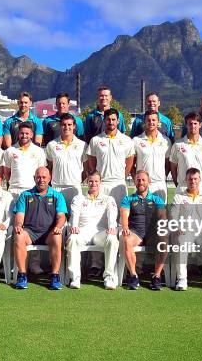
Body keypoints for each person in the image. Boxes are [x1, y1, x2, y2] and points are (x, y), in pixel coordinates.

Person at [86, 108, 134, 276]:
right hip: (102, 185)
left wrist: (121, 176)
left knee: (120, 223)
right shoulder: (95, 140)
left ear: (118, 121)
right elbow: (91, 164)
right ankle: (96, 264)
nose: (111, 122)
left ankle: (119, 261)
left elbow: (129, 163)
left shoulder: (127, 141)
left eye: (114, 120)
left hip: (119, 186)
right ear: (104, 121)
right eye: (108, 120)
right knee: (99, 223)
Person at [12, 167, 67, 290]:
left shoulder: (57, 196)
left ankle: (55, 276)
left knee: (57, 236)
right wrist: (19, 226)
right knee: (19, 235)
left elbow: (61, 217)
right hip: (30, 232)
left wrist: (58, 227)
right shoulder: (25, 195)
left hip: (48, 233)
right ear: (34, 178)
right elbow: (19, 216)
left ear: (49, 179)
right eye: (38, 177)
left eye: (44, 177)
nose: (41, 180)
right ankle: (22, 276)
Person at [170, 167, 202, 291]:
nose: (193, 181)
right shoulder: (179, 197)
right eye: (190, 179)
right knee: (181, 243)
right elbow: (173, 216)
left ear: (200, 180)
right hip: (185, 232)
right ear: (186, 180)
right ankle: (182, 279)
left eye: (195, 179)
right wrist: (177, 227)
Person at [66, 171, 119, 290]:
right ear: (87, 182)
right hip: (83, 232)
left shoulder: (108, 199)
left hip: (100, 233)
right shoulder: (78, 198)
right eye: (91, 181)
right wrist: (74, 226)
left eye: (96, 181)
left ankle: (109, 277)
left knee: (112, 238)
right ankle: (75, 278)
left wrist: (112, 226)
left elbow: (112, 213)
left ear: (100, 182)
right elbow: (75, 213)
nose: (93, 183)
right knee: (73, 238)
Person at [120, 170, 168, 290]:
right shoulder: (128, 199)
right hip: (136, 233)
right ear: (135, 182)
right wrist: (125, 228)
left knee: (164, 239)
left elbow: (162, 217)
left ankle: (156, 276)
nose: (140, 182)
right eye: (138, 180)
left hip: (152, 234)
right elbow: (124, 216)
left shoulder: (157, 199)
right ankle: (133, 276)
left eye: (143, 180)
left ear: (149, 182)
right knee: (126, 238)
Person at [45, 114, 87, 206]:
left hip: (75, 188)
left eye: (69, 125)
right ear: (60, 126)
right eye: (64, 124)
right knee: (57, 218)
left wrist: (77, 181)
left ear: (74, 126)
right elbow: (49, 167)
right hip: (57, 188)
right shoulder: (51, 145)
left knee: (75, 218)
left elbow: (86, 170)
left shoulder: (82, 145)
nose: (66, 127)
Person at [170, 112, 202, 196]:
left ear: (200, 125)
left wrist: (200, 181)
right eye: (190, 123)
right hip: (183, 187)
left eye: (195, 123)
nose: (193, 126)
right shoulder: (177, 145)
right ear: (186, 125)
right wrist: (179, 184)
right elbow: (173, 168)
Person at [132, 110, 172, 201]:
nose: (151, 122)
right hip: (142, 185)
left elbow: (168, 163)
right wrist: (137, 180)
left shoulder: (166, 141)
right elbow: (131, 164)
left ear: (158, 122)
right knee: (141, 214)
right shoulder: (136, 140)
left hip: (159, 184)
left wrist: (162, 176)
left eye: (154, 120)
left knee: (160, 214)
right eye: (148, 120)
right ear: (144, 122)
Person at [3, 122, 47, 201]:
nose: (24, 136)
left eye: (27, 133)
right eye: (22, 133)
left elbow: (41, 172)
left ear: (31, 135)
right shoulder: (10, 151)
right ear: (18, 134)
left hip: (32, 190)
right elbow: (7, 172)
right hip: (14, 190)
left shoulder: (39, 151)